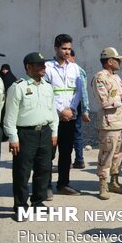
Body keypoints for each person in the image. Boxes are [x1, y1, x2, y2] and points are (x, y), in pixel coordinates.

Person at [3, 52, 58, 218]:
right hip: (26, 134)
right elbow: (10, 117)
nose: (43, 67)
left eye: (44, 64)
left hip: (45, 132)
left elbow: (52, 111)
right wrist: (13, 137)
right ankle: (20, 206)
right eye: (39, 65)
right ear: (28, 67)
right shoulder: (17, 87)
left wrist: (54, 132)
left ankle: (38, 202)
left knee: (43, 170)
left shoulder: (47, 86)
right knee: (22, 172)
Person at [44, 34, 86, 195]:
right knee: (49, 153)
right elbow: (47, 93)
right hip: (53, 118)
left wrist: (72, 110)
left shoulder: (75, 68)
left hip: (70, 117)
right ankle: (46, 186)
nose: (67, 52)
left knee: (66, 152)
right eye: (64, 48)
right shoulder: (47, 68)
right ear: (56, 48)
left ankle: (63, 184)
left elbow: (78, 92)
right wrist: (60, 111)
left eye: (69, 48)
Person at [91, 47, 122, 200]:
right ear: (110, 61)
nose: (120, 62)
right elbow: (104, 102)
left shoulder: (116, 77)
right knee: (107, 154)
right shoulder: (100, 78)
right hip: (109, 124)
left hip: (121, 121)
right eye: (118, 60)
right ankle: (102, 185)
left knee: (119, 154)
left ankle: (114, 181)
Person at [69, 49, 91, 169]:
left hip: (74, 106)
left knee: (76, 134)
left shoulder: (77, 70)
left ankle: (79, 159)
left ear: (73, 58)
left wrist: (85, 110)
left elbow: (83, 92)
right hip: (65, 106)